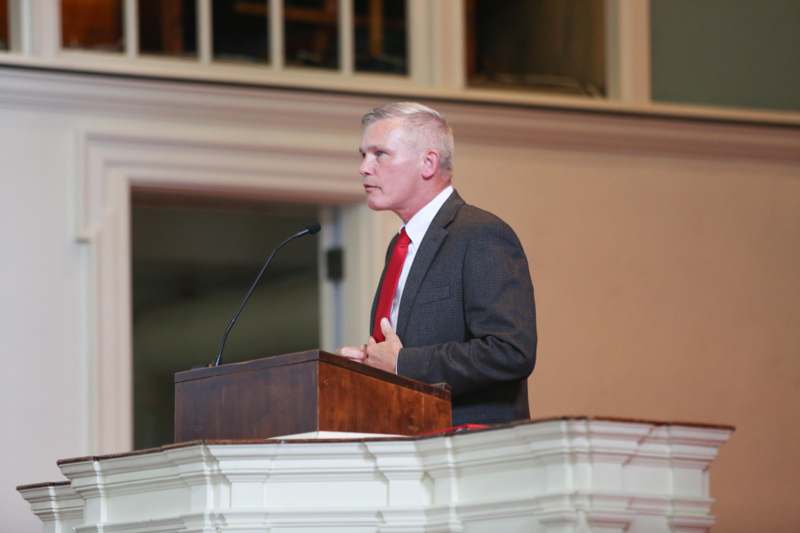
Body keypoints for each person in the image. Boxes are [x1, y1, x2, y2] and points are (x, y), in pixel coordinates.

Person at [339, 102, 537, 425]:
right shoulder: (400, 246)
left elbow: (510, 351)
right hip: (408, 445)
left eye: (379, 154)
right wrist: (372, 364)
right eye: (363, 155)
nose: (364, 167)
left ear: (428, 163)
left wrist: (403, 363)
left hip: (469, 456)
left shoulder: (481, 234)